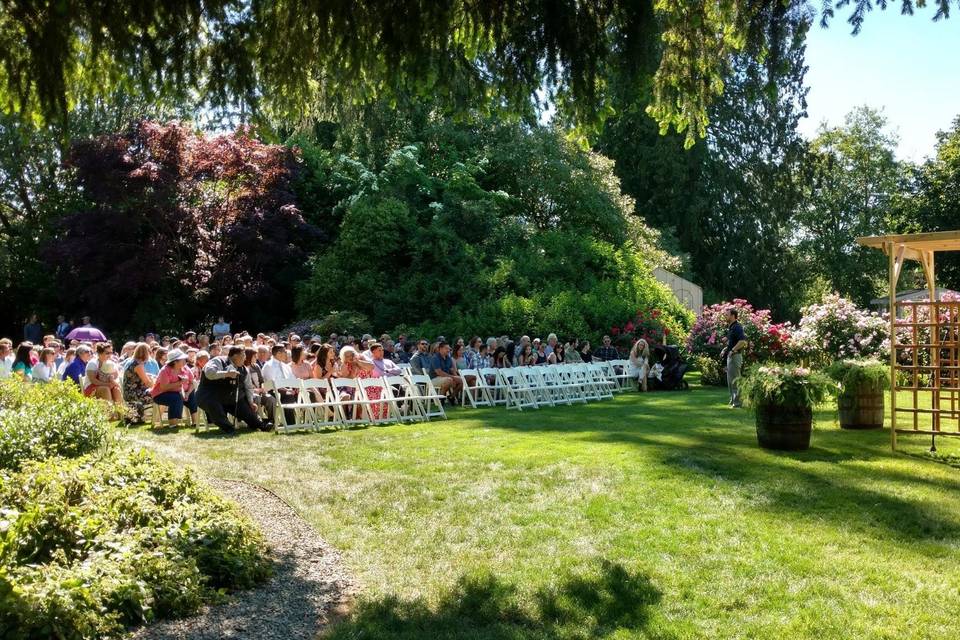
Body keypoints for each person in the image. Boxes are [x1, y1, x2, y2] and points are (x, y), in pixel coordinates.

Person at [196, 346, 269, 433]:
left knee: (247, 411)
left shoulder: (244, 369)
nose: (245, 358)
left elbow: (248, 387)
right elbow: (209, 373)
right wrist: (226, 374)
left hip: (230, 398)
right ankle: (229, 429)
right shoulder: (217, 361)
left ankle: (261, 425)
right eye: (243, 355)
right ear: (235, 356)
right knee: (214, 405)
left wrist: (250, 402)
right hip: (208, 396)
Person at [150, 350, 194, 427]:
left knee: (192, 396)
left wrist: (187, 393)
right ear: (175, 362)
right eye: (182, 359)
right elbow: (164, 387)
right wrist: (180, 383)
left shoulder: (185, 368)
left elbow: (192, 382)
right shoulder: (165, 370)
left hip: (180, 393)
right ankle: (173, 424)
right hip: (160, 394)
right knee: (176, 398)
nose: (185, 360)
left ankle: (195, 422)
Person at [85, 343, 123, 416]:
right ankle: (109, 415)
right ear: (99, 353)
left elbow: (116, 375)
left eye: (111, 352)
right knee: (105, 389)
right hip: (92, 387)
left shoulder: (111, 363)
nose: (110, 355)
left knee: (116, 389)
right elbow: (93, 380)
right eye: (107, 353)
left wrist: (112, 379)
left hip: (107, 385)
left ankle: (121, 414)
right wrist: (108, 384)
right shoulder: (92, 363)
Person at [720, 308, 747, 408]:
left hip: (735, 357)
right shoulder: (731, 328)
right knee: (730, 380)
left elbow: (742, 342)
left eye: (727, 315)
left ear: (733, 316)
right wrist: (726, 349)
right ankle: (733, 401)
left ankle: (738, 403)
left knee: (735, 380)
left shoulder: (737, 327)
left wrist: (732, 350)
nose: (725, 316)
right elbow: (732, 343)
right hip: (731, 356)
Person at [123, 343, 154, 424]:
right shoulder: (138, 365)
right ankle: (159, 417)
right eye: (150, 351)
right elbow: (147, 383)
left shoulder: (133, 362)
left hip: (129, 392)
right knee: (158, 394)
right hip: (133, 393)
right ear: (146, 353)